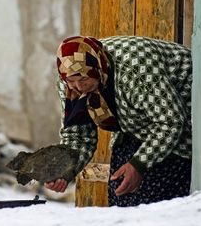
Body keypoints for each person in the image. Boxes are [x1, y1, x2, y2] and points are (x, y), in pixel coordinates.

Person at [45, 35, 192, 207]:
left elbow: (171, 121)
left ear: (99, 67)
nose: (79, 87)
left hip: (184, 115)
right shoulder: (68, 83)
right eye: (71, 81)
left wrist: (139, 164)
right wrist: (64, 169)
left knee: (155, 201)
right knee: (120, 189)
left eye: (84, 79)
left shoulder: (135, 68)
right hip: (134, 126)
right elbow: (78, 136)